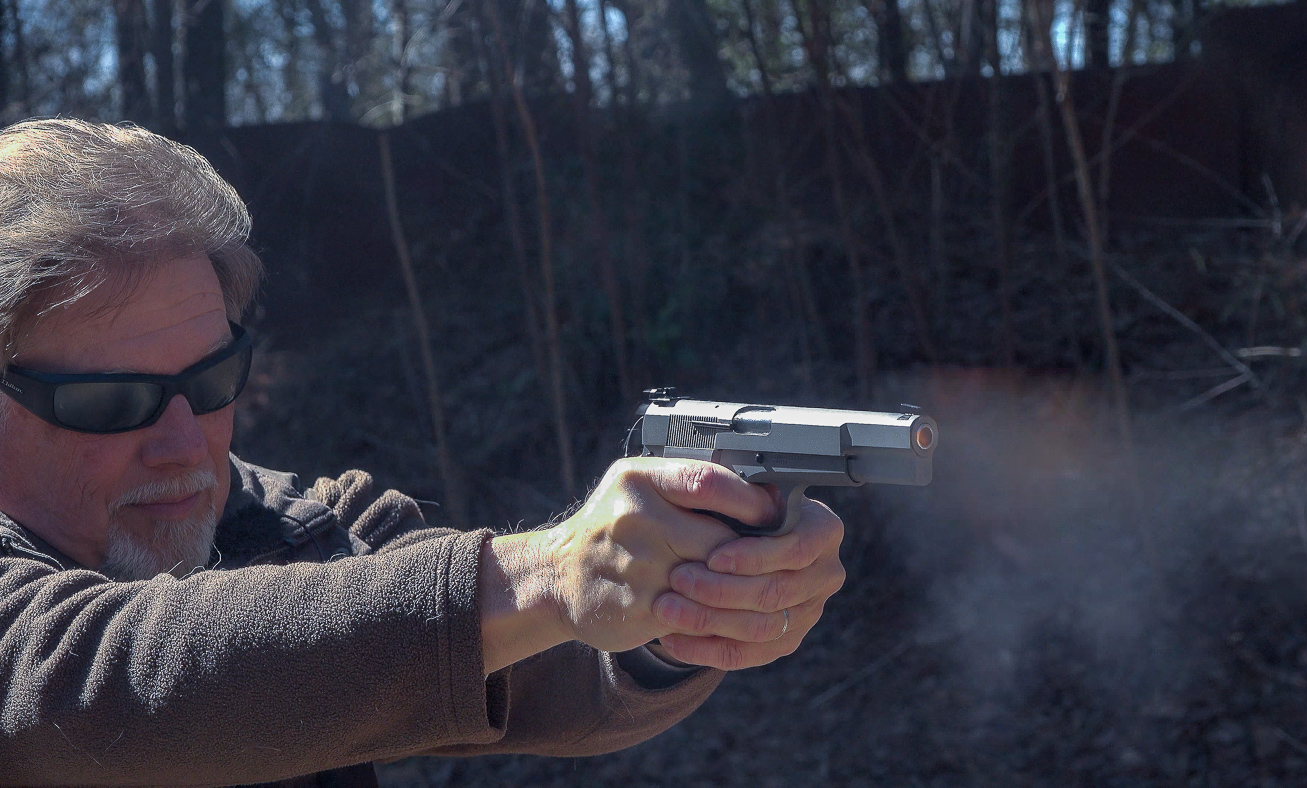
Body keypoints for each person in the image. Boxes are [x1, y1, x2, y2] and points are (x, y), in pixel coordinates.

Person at [0, 119, 846, 787]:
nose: (185, 442)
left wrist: (681, 602)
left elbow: (558, 672)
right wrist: (550, 574)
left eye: (213, 377)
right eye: (112, 402)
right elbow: (110, 681)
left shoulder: (303, 523)